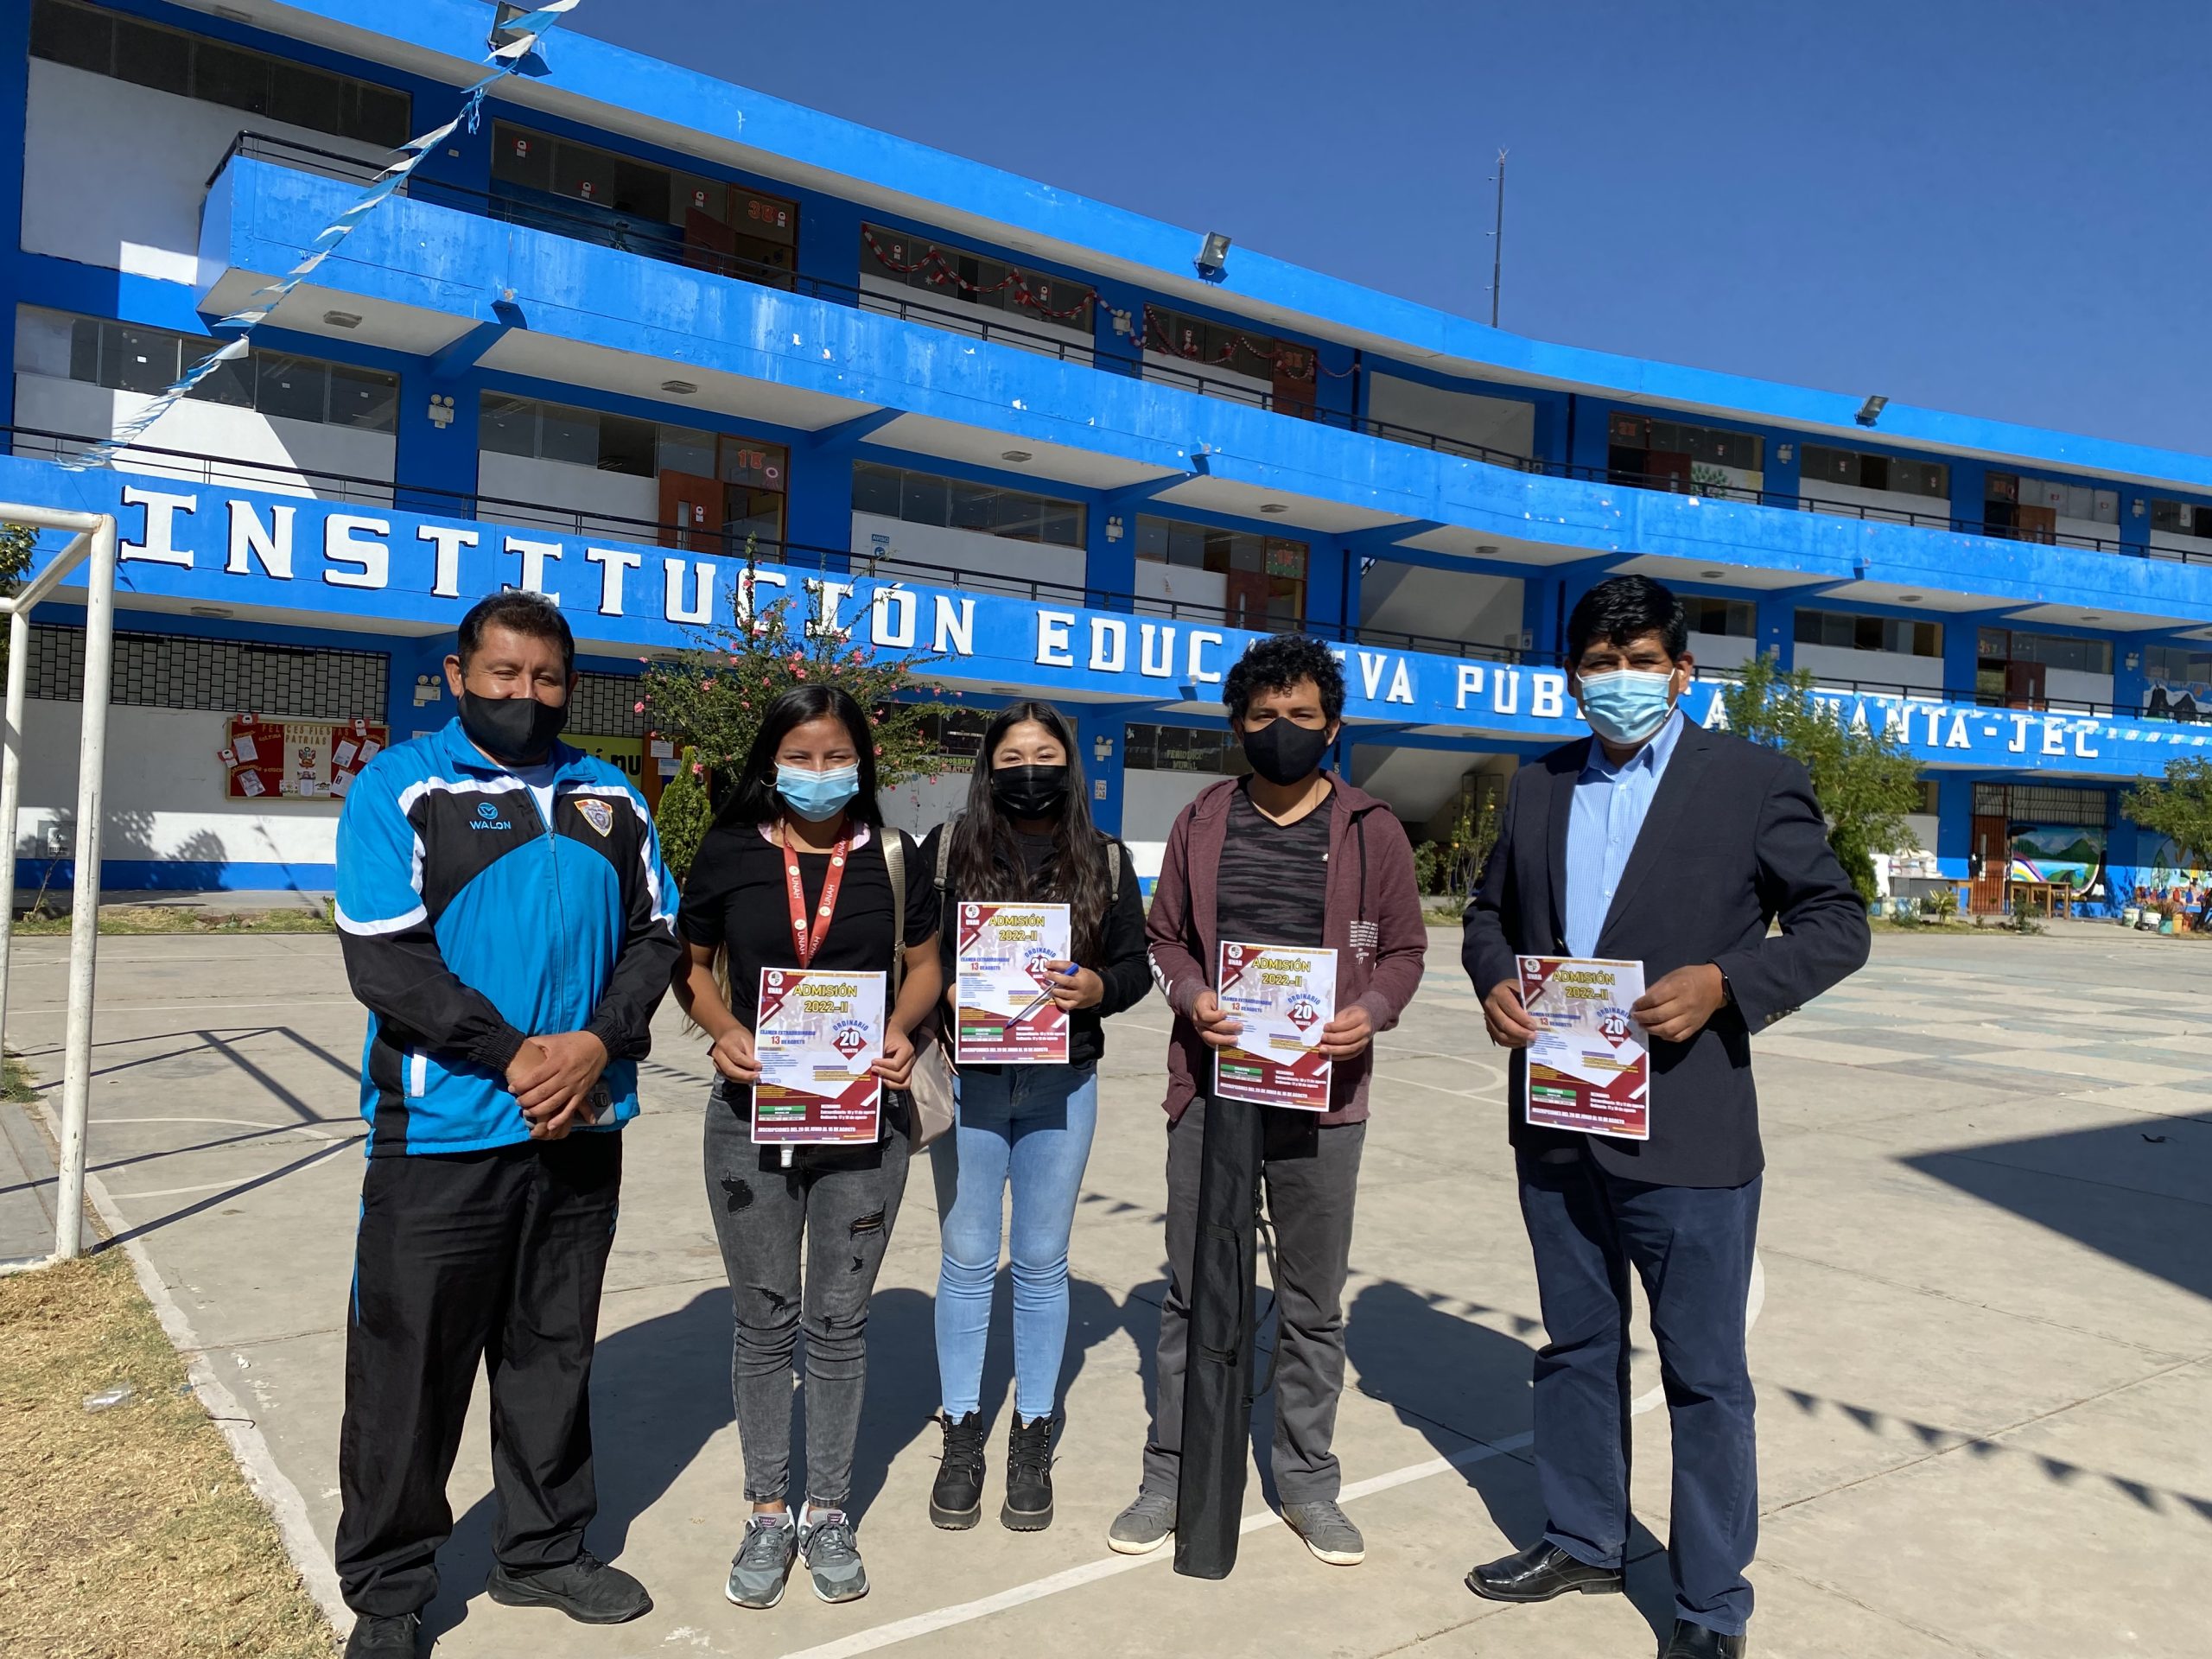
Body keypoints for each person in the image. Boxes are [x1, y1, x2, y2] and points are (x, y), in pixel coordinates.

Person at [1460, 575, 1870, 1659]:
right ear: (1570, 676)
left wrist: (1729, 983)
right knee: (1576, 1346)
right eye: (1600, 663)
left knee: (1703, 1377)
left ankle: (1706, 1608)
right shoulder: (1535, 785)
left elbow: (1837, 924)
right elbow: (1488, 913)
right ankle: (1583, 1539)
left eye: (1642, 661)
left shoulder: (1752, 781)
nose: (1621, 681)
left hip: (1687, 1133)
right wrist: (1496, 980)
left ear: (1683, 674)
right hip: (1556, 1117)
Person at [331, 591, 680, 1658]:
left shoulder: (610, 796)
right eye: (504, 675)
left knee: (553, 1353)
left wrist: (596, 1045)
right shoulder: (401, 787)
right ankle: (390, 1592)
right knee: (410, 1367)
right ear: (457, 674)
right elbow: (384, 956)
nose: (525, 695)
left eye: (546, 679)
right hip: (442, 1135)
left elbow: (656, 937)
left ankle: (541, 1552)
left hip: (581, 1128)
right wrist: (514, 1053)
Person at [1111, 632, 1427, 1572]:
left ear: (1332, 725)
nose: (1281, 731)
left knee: (1311, 1299)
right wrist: (1191, 996)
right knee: (1189, 1293)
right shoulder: (1203, 818)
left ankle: (1306, 1479)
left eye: (1299, 715)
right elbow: (1162, 938)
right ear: (1234, 726)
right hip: (1212, 1092)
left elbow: (1407, 952)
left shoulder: (1373, 829)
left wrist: (1370, 1011)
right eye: (1261, 716)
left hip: (1323, 1098)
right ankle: (1170, 1471)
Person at [672, 684, 942, 1610]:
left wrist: (905, 1030)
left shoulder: (897, 859)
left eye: (835, 757)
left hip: (864, 1122)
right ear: (769, 762)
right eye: (800, 756)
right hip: (750, 1116)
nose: (818, 774)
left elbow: (927, 966)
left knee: (836, 1323)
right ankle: (766, 1507)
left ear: (861, 762)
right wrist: (718, 1027)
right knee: (763, 1321)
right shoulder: (729, 853)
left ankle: (826, 1508)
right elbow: (691, 963)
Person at [917, 701, 1149, 1533]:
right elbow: (913, 952)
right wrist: (940, 989)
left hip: (1062, 1082)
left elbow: (1135, 966)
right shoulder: (945, 850)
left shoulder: (1107, 859)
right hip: (972, 1082)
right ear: (988, 767)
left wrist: (1097, 990)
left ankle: (1034, 1428)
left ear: (1070, 765)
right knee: (968, 1258)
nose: (1028, 768)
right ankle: (961, 1430)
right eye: (1011, 756)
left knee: (1044, 1262)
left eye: (1044, 753)